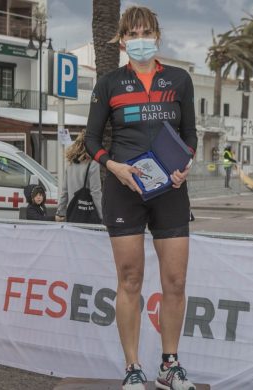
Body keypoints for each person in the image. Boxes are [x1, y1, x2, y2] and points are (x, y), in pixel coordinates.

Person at [84, 6, 197, 390]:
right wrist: (113, 166)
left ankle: (169, 364)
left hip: (171, 190)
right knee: (130, 280)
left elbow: (191, 135)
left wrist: (187, 164)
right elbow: (91, 140)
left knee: (176, 281)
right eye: (133, 33)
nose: (140, 39)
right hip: (124, 190)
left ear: (157, 36)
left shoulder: (179, 80)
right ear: (122, 39)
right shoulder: (109, 83)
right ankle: (133, 367)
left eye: (146, 32)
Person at [55, 130, 102, 222]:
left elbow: (65, 191)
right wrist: (102, 216)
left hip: (73, 213)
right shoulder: (93, 163)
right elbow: (95, 192)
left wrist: (60, 212)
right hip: (88, 214)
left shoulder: (71, 163)